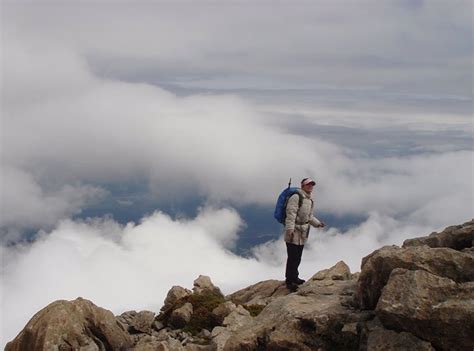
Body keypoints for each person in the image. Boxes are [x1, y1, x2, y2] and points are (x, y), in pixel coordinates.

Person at [284, 177, 325, 291]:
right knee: (292, 257)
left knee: (298, 257)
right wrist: (290, 229)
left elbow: (309, 217)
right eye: (308, 185)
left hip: (303, 232)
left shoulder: (309, 200)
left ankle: (295, 277)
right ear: (302, 186)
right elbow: (290, 213)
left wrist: (318, 224)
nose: (310, 186)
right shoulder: (296, 197)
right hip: (294, 231)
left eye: (312, 185)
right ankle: (289, 281)